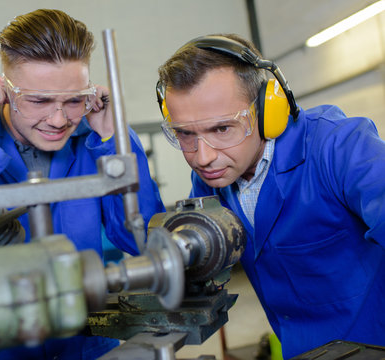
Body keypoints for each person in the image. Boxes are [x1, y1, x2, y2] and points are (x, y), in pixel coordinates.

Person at [0, 8, 165, 360]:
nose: (58, 119)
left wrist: (112, 138)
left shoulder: (98, 133)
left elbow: (142, 238)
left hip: (86, 342)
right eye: (39, 101)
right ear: (3, 89)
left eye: (73, 100)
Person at [156, 33, 384, 359]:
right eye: (185, 133)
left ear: (267, 110)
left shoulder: (338, 147)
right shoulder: (212, 180)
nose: (202, 156)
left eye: (222, 129)